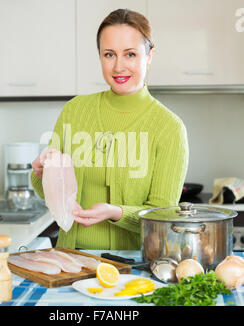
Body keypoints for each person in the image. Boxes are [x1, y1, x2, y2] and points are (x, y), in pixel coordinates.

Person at [31, 8, 189, 250]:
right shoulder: (75, 111)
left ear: (149, 55)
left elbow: (162, 216)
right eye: (109, 54)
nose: (118, 67)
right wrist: (42, 173)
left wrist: (115, 212)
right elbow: (50, 194)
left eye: (130, 54)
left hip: (134, 265)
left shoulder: (169, 128)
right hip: (71, 258)